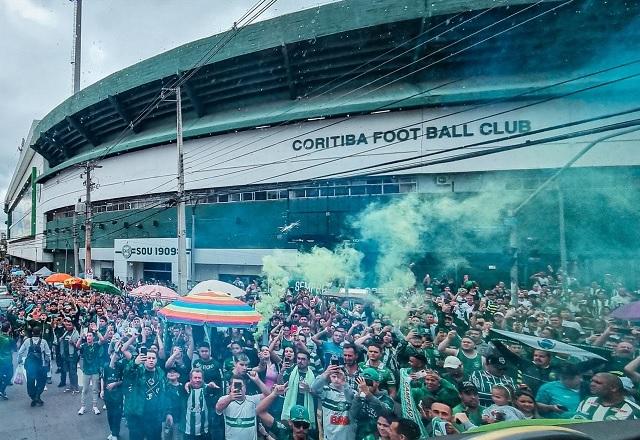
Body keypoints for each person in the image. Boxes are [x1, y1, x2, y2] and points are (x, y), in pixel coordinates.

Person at [123, 350, 168, 439]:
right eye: (148, 358)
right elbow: (126, 374)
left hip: (154, 416)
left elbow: (164, 394)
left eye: (153, 358)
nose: (151, 360)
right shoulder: (137, 370)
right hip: (138, 414)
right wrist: (134, 363)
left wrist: (166, 412)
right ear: (144, 359)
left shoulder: (160, 373)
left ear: (156, 360)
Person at [311, 363, 356, 440]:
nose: (336, 379)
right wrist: (325, 373)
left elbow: (351, 399)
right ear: (330, 377)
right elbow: (314, 388)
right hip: (329, 437)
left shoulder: (353, 392)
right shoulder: (326, 391)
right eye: (333, 376)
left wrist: (344, 383)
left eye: (339, 376)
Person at [573, 372, 640, 421]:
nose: (592, 384)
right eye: (592, 381)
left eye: (598, 382)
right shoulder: (587, 401)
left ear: (613, 388)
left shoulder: (634, 410)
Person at [350, 368, 394, 439]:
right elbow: (353, 415)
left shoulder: (386, 399)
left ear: (377, 383)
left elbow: (386, 413)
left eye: (369, 382)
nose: (366, 385)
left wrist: (369, 395)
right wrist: (358, 396)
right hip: (359, 436)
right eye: (364, 381)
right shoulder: (359, 398)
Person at [16, 326, 51, 407]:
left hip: (30, 366)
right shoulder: (43, 341)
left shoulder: (27, 341)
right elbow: (48, 354)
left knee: (30, 382)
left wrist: (19, 361)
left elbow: (20, 352)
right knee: (41, 381)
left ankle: (33, 397)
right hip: (41, 365)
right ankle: (37, 396)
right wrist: (47, 363)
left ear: (32, 333)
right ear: (40, 333)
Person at [77, 331, 103, 415]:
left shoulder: (96, 345)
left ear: (93, 337)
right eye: (87, 336)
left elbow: (102, 340)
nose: (88, 337)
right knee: (85, 389)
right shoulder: (84, 346)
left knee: (95, 389)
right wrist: (81, 337)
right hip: (86, 371)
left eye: (90, 336)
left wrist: (97, 331)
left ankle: (95, 406)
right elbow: (77, 346)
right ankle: (83, 406)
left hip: (95, 370)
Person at [101, 347, 125, 440]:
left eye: (116, 355)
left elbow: (124, 380)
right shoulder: (106, 366)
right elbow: (103, 378)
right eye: (112, 355)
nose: (114, 357)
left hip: (118, 395)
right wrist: (102, 390)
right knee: (110, 415)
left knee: (117, 415)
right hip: (108, 395)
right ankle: (112, 432)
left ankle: (115, 433)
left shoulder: (121, 366)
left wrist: (115, 383)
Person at [58, 317, 80, 393]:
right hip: (66, 354)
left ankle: (76, 387)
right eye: (67, 325)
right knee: (69, 371)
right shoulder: (66, 332)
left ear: (73, 326)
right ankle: (71, 386)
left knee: (73, 372)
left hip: (72, 355)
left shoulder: (76, 333)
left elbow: (78, 346)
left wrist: (73, 343)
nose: (67, 326)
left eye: (70, 325)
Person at [0, 322, 14, 400]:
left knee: (1, 374)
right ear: (9, 329)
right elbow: (14, 349)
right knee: (9, 375)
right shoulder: (10, 339)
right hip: (7, 360)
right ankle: (2, 389)